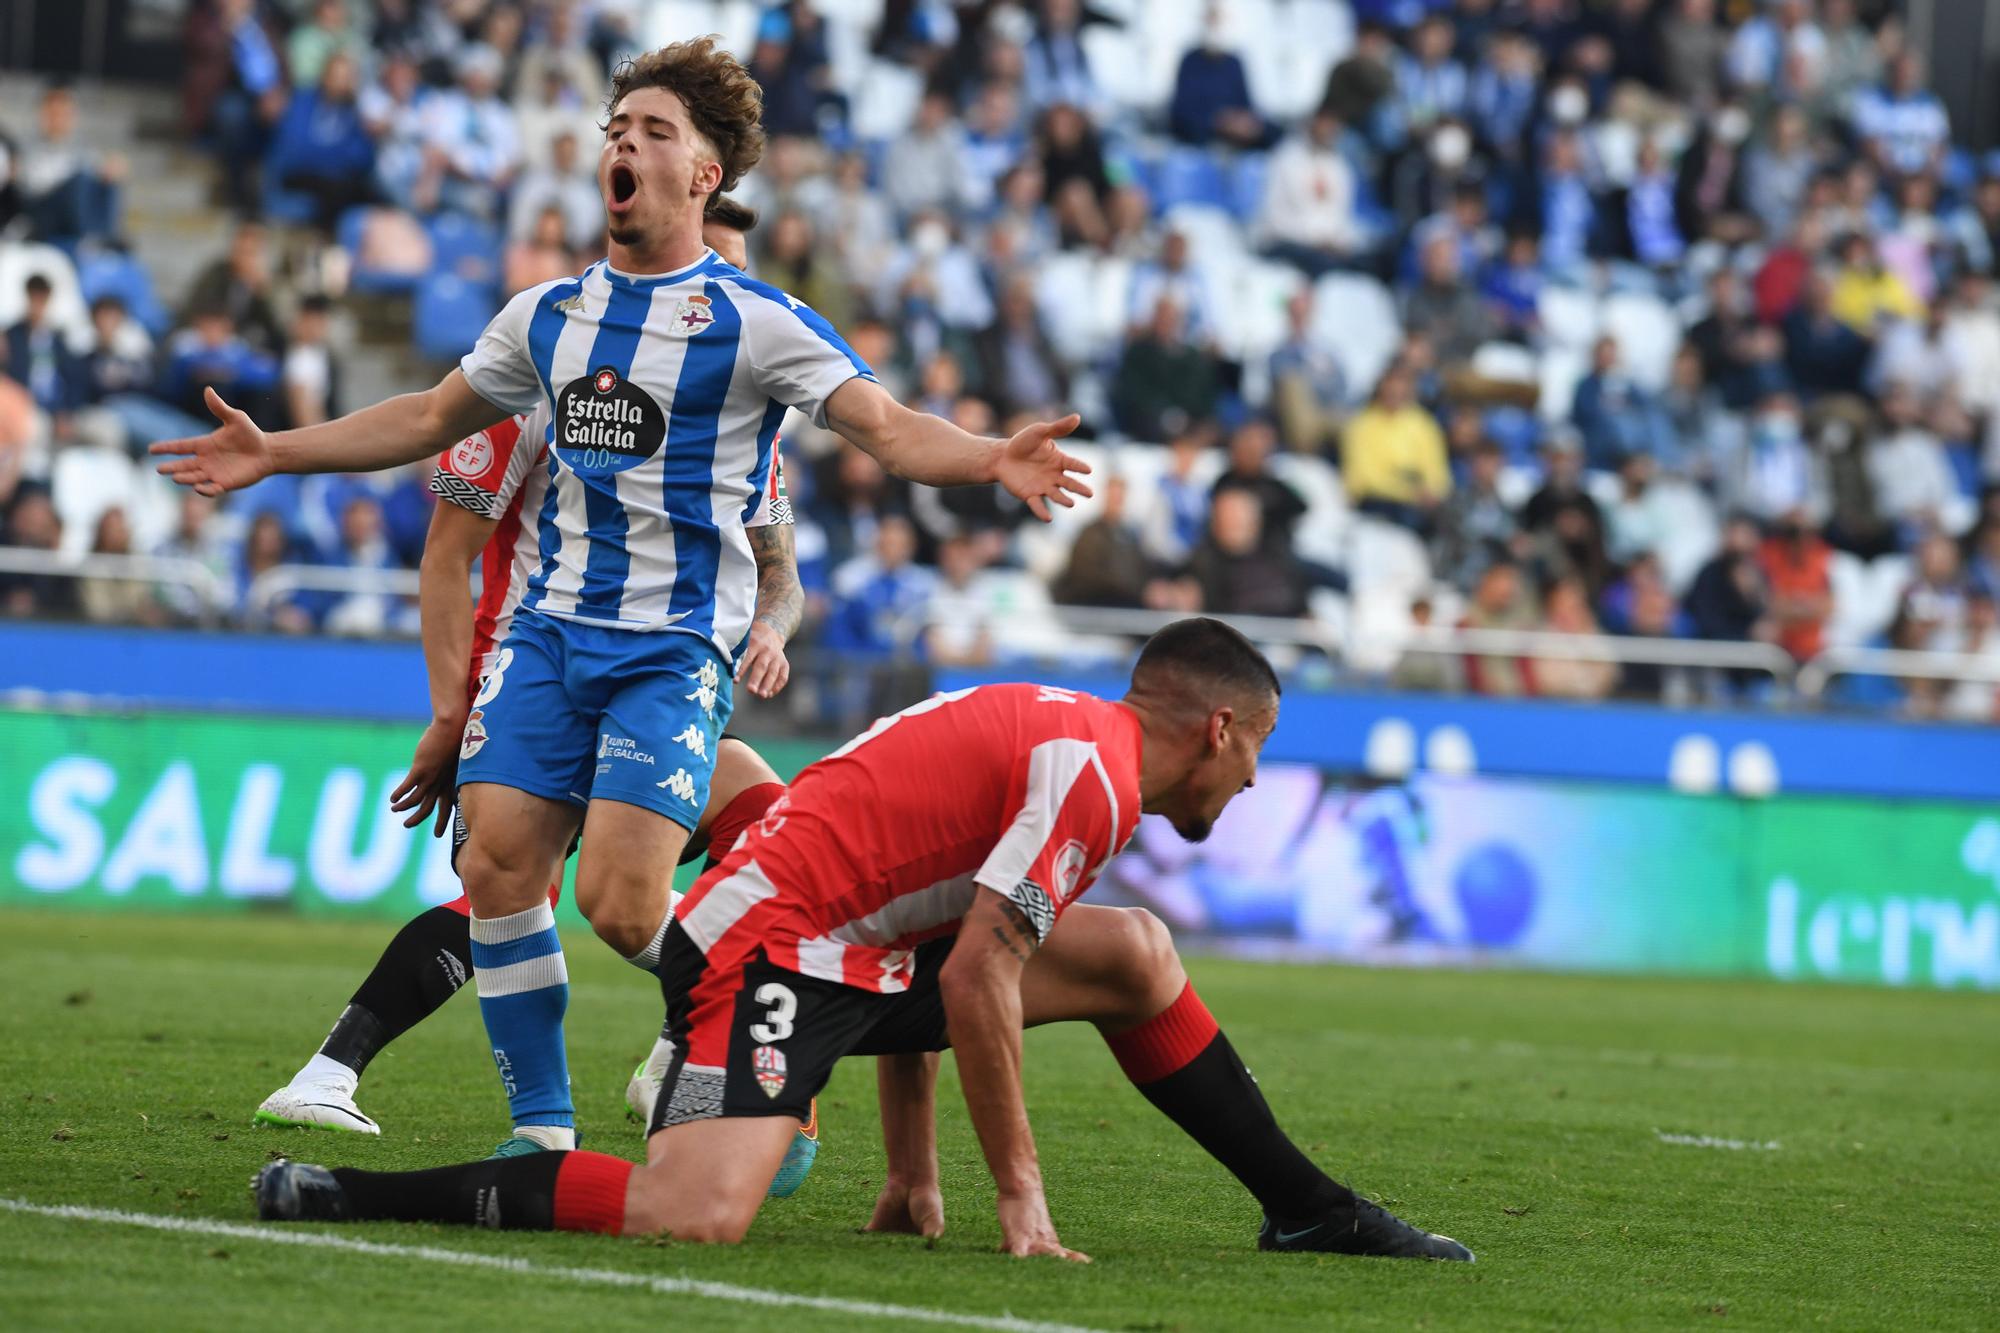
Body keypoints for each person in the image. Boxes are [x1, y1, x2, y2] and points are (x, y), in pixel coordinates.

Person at [159, 38, 1089, 1158]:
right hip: (548, 633)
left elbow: (887, 430)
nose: (625, 144)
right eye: (617, 129)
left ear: (705, 175)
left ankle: (774, 1041)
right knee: (497, 865)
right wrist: (279, 453)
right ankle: (542, 1135)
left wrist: (990, 456)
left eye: (654, 132)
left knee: (621, 904)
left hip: (670, 648)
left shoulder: (757, 322)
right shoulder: (545, 315)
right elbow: (421, 416)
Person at [258, 618, 1473, 1263]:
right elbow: (982, 974)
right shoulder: (1091, 778)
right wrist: (1020, 1201)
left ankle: (1307, 1208)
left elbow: (940, 940)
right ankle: (353, 1193)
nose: (1257, 776)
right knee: (690, 1216)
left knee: (1135, 952)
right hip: (765, 948)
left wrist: (910, 1177)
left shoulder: (1067, 734)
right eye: (1257, 746)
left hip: (848, 947)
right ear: (1217, 726)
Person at [253, 203, 811, 1187]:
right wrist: (452, 708)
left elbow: (781, 571)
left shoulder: (740, 426)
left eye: (737, 275)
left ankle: (709, 1044)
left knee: (771, 824)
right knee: (510, 884)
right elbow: (443, 553)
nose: (724, 297)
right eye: (714, 270)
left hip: (662, 670)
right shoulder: (545, 380)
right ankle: (579, 1089)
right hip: (532, 668)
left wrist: (772, 624)